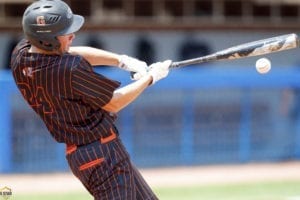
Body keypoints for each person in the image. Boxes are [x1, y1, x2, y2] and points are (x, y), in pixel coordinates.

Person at [10, 0, 171, 199]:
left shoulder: (21, 55)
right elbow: (114, 102)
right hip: (102, 156)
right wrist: (150, 78)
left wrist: (122, 61)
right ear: (47, 40)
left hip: (84, 155)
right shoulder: (69, 70)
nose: (73, 35)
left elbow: (71, 52)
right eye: (66, 33)